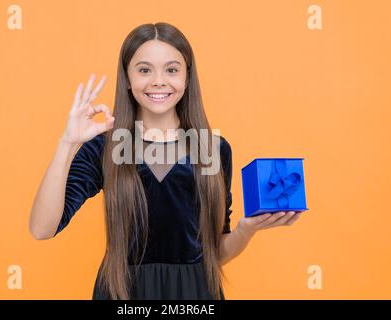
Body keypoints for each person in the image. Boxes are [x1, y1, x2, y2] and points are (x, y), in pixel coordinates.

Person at [29, 22, 302, 300]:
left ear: (187, 77)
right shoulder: (106, 145)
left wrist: (246, 230)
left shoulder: (213, 149)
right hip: (124, 295)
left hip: (195, 295)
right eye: (144, 69)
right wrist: (67, 143)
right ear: (127, 77)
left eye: (171, 69)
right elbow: (42, 229)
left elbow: (213, 254)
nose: (158, 80)